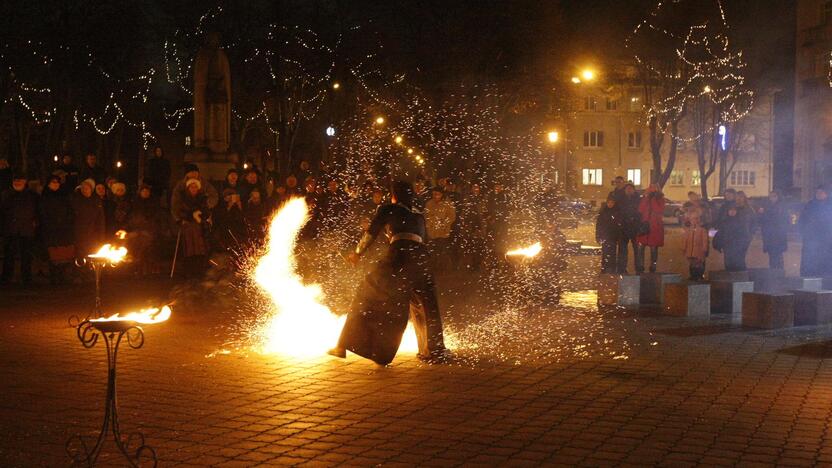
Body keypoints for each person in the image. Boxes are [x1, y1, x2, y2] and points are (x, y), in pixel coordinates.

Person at [329, 180, 450, 365]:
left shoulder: (388, 209)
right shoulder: (418, 215)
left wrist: (357, 253)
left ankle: (343, 346)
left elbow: (371, 232)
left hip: (398, 256)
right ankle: (433, 350)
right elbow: (423, 239)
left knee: (367, 292)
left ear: (395, 195)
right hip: (421, 259)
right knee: (426, 303)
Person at [1, 173, 39, 285]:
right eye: (15, 180)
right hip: (10, 229)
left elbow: (37, 210)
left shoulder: (32, 195)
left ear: (25, 181)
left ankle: (26, 277)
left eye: (20, 180)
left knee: (26, 255)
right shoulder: (5, 194)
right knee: (9, 255)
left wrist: (35, 222)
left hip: (26, 229)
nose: (17, 182)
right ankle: (6, 277)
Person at [172, 178, 211, 278]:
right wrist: (191, 215)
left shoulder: (202, 199)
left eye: (195, 187)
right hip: (188, 226)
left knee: (199, 247)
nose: (193, 189)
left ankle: (200, 269)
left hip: (199, 227)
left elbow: (206, 212)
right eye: (191, 187)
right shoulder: (183, 199)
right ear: (188, 188)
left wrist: (200, 217)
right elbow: (180, 212)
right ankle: (189, 269)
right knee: (189, 247)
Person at [39, 176, 75, 284]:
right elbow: (42, 213)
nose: (55, 184)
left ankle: (63, 277)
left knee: (63, 253)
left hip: (64, 230)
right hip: (50, 229)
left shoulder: (64, 196)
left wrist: (66, 222)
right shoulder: (44, 197)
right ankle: (54, 277)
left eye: (57, 182)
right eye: (53, 182)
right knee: (53, 254)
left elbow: (70, 211)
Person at [127, 185, 165, 276]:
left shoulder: (154, 204)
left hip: (150, 230)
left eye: (147, 191)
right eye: (143, 191)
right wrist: (136, 230)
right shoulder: (135, 204)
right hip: (137, 230)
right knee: (135, 242)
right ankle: (137, 266)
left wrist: (147, 229)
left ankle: (149, 267)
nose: (145, 193)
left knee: (147, 242)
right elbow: (132, 218)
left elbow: (156, 219)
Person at [799, 186, 832, 277]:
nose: (819, 194)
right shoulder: (810, 205)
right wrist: (803, 231)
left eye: (821, 192)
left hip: (826, 240)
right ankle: (808, 277)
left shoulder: (830, 205)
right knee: (809, 258)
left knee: (825, 259)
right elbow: (802, 219)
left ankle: (825, 278)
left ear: (826, 194)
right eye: (817, 192)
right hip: (810, 238)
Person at [717, 191, 754, 271]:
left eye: (741, 197)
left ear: (744, 198)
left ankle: (741, 280)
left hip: (743, 238)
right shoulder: (730, 208)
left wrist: (750, 235)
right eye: (737, 197)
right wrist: (729, 216)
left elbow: (754, 224)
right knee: (729, 260)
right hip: (729, 238)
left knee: (740, 259)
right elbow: (723, 221)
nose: (739, 199)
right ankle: (730, 279)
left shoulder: (749, 210)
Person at [72, 179, 106, 259]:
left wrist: (101, 236)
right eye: (82, 188)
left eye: (86, 188)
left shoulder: (96, 201)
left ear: (91, 189)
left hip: (94, 235)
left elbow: (101, 220)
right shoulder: (77, 201)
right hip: (80, 235)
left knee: (92, 255)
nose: (84, 190)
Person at [424, 187, 456, 272]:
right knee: (432, 251)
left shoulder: (447, 204)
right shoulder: (429, 204)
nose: (435, 196)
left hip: (443, 232)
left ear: (441, 195)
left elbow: (452, 216)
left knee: (442, 251)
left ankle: (443, 268)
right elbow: (426, 216)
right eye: (433, 194)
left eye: (437, 194)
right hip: (432, 232)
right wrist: (430, 224)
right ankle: (434, 268)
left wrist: (444, 223)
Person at [636, 183, 665, 273]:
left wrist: (653, 199)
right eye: (651, 187)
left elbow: (658, 209)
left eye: (654, 187)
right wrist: (646, 198)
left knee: (653, 248)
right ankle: (640, 267)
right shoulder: (645, 198)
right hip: (645, 225)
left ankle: (653, 267)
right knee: (641, 247)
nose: (652, 189)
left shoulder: (661, 199)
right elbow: (640, 209)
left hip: (655, 226)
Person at [757, 190, 789, 269]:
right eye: (770, 196)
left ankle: (779, 274)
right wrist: (761, 214)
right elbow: (762, 221)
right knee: (772, 256)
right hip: (769, 236)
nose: (771, 198)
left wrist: (764, 212)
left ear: (778, 197)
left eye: (774, 196)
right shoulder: (768, 206)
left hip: (778, 236)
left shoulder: (781, 206)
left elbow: (778, 218)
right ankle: (773, 274)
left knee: (777, 257)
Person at [682, 198, 709, 280]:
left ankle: (699, 275)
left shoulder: (702, 230)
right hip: (690, 250)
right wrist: (684, 247)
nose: (695, 221)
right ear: (690, 220)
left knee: (699, 264)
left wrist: (704, 249)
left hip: (699, 251)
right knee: (692, 264)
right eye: (693, 219)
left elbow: (704, 240)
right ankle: (692, 276)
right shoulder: (688, 230)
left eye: (697, 219)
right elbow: (685, 239)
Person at [596, 196, 623, 274]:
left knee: (613, 252)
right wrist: (598, 236)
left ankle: (612, 267)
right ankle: (604, 267)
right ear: (607, 203)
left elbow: (619, 225)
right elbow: (599, 225)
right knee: (605, 252)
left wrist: (618, 236)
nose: (610, 204)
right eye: (609, 202)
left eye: (612, 203)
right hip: (605, 235)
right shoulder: (603, 212)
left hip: (613, 236)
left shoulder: (617, 212)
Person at [618, 183, 641, 274]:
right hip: (624, 228)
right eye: (627, 189)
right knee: (623, 249)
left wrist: (635, 219)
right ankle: (622, 268)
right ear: (625, 190)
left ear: (634, 190)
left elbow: (640, 212)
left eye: (630, 189)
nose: (629, 190)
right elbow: (619, 212)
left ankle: (638, 268)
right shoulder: (621, 199)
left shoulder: (638, 199)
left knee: (637, 250)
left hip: (635, 228)